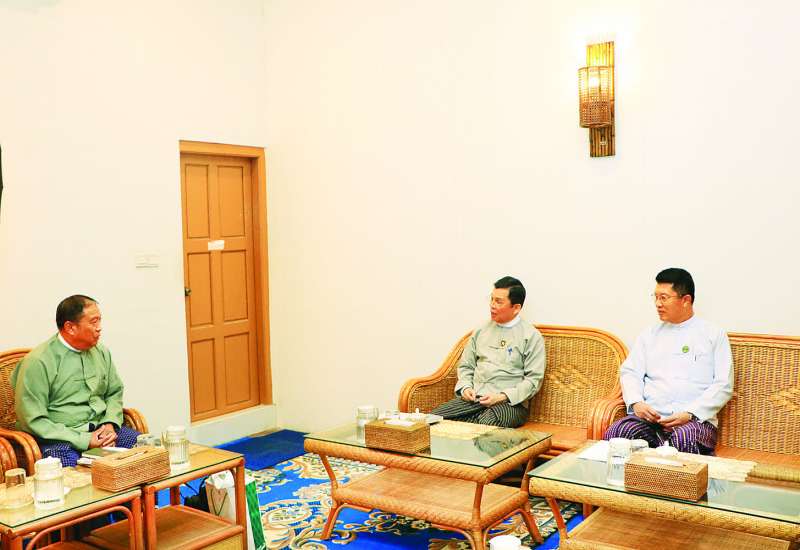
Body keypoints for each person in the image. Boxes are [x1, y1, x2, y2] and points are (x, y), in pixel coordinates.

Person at [603, 268, 733, 455]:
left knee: (684, 439)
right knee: (619, 433)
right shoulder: (649, 334)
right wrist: (637, 403)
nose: (658, 304)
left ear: (686, 300)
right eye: (655, 297)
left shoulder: (713, 334)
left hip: (695, 422)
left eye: (664, 298)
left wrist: (690, 413)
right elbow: (630, 372)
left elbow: (723, 385)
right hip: (650, 422)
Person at [11, 295, 139, 466]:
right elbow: (33, 419)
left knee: (146, 451)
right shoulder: (38, 361)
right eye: (93, 322)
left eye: (99, 320)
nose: (99, 328)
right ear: (70, 327)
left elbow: (114, 392)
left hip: (103, 431)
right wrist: (84, 439)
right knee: (68, 471)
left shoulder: (101, 352)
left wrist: (109, 423)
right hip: (60, 439)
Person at [431, 276, 546, 427]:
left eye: (499, 302)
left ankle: (471, 426)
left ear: (516, 308)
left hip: (509, 404)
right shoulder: (481, 331)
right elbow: (466, 366)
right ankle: (470, 425)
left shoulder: (531, 336)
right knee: (432, 420)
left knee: (487, 424)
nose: (492, 305)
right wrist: (466, 387)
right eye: (491, 299)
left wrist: (502, 396)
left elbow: (533, 380)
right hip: (475, 400)